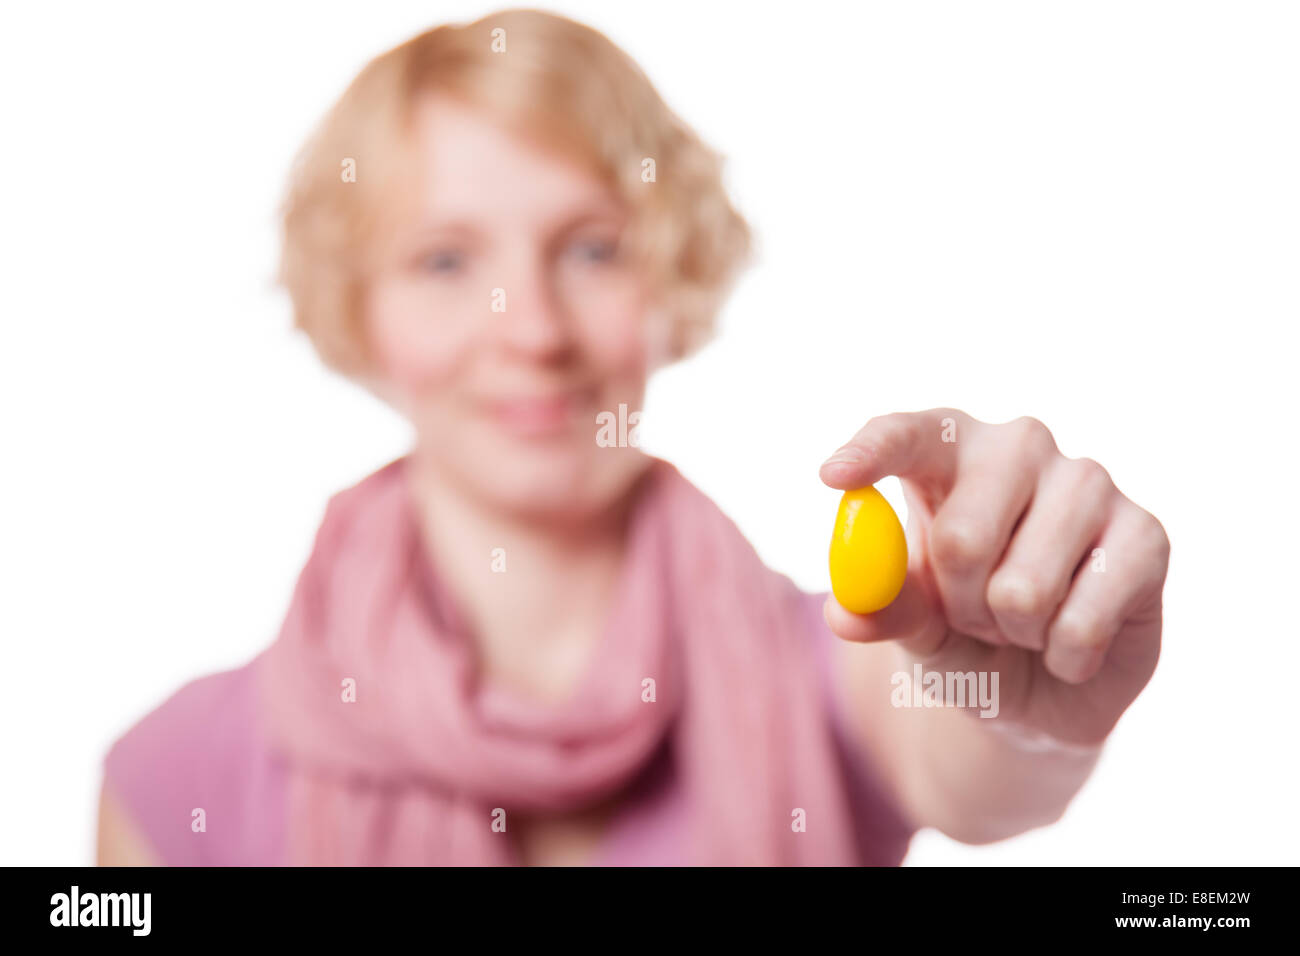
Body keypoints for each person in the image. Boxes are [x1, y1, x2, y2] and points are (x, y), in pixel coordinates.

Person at [97, 8, 1170, 867]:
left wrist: (1030, 702)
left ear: (673, 275)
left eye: (593, 249)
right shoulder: (175, 776)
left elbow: (977, 755)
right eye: (443, 260)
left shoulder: (843, 665)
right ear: (356, 309)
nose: (532, 330)